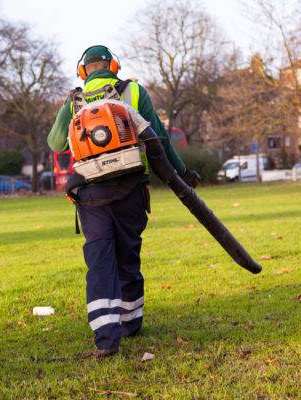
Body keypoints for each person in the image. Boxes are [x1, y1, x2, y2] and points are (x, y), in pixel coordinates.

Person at [47, 45, 200, 358]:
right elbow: (158, 139)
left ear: (82, 72)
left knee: (100, 260)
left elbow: (55, 142)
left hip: (90, 195)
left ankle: (106, 337)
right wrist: (183, 173)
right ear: (113, 66)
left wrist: (68, 110)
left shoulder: (75, 100)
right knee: (128, 256)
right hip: (131, 190)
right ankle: (131, 324)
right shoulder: (133, 92)